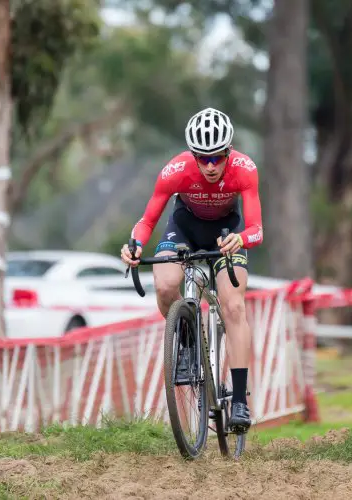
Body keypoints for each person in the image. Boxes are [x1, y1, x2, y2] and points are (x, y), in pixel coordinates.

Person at [120, 107, 263, 432]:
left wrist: (240, 239)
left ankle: (239, 400)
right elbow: (146, 221)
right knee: (166, 283)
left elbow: (257, 229)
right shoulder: (175, 170)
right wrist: (134, 245)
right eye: (202, 157)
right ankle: (185, 344)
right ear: (192, 154)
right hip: (184, 227)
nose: (210, 166)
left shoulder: (244, 169)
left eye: (217, 157)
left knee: (234, 305)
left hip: (227, 233)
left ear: (228, 151)